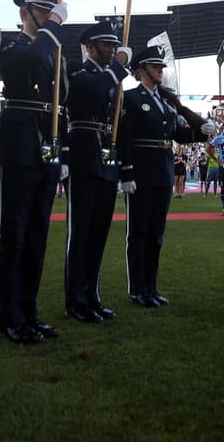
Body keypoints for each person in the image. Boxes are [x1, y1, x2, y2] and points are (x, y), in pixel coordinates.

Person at [0, 0, 68, 344]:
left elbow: (62, 102)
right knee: (15, 234)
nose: (50, 18)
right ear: (25, 11)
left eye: (52, 12)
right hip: (20, 138)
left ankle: (30, 312)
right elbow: (23, 63)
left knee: (38, 233)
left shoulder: (55, 53)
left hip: (48, 142)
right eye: (43, 11)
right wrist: (51, 27)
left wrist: (63, 150)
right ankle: (10, 316)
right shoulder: (12, 46)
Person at [116, 46, 215, 306]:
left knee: (156, 233)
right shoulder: (129, 98)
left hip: (163, 171)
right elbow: (123, 138)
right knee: (138, 232)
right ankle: (137, 288)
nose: (160, 70)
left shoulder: (167, 101)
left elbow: (176, 135)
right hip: (140, 171)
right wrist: (125, 170)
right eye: (155, 66)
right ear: (141, 70)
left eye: (160, 66)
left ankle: (151, 287)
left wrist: (201, 132)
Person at [64, 19, 130, 324]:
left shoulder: (112, 78)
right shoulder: (77, 69)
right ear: (91, 47)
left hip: (106, 158)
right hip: (83, 151)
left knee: (99, 233)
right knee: (81, 233)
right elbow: (89, 92)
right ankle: (76, 298)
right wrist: (117, 68)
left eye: (115, 45)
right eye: (107, 45)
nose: (113, 50)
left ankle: (92, 295)